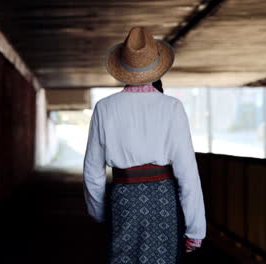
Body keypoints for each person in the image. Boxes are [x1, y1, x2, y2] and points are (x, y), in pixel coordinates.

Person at [83, 26, 206, 264]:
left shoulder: (105, 108)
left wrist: (99, 212)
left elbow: (92, 172)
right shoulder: (172, 107)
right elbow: (187, 173)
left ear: (124, 68)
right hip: (163, 198)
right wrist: (195, 230)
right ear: (157, 66)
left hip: (123, 198)